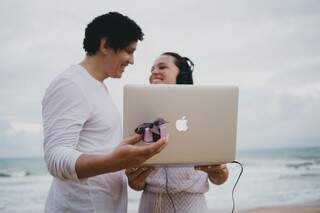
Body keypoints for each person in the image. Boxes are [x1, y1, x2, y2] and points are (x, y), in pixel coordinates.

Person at [42, 12, 168, 213]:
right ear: (106, 45)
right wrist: (115, 161)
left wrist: (126, 161)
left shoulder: (99, 87)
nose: (132, 60)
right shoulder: (70, 84)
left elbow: (100, 149)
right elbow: (55, 158)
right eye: (129, 51)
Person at [125, 52, 229, 213]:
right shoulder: (140, 115)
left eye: (162, 67)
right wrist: (134, 181)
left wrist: (219, 172)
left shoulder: (201, 113)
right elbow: (135, 185)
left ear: (182, 75)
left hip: (191, 205)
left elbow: (220, 178)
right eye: (152, 68)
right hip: (150, 204)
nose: (154, 71)